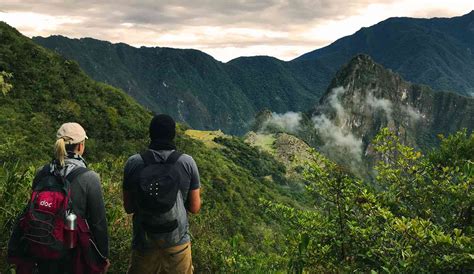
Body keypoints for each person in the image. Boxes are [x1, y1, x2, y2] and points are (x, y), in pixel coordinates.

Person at [8, 122, 110, 273]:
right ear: (81, 146)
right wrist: (102, 257)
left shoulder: (42, 172)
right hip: (72, 253)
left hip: (40, 246)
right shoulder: (89, 178)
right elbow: (98, 223)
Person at [123, 114, 201, 274]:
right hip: (177, 244)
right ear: (173, 134)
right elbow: (194, 207)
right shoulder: (187, 163)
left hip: (144, 243)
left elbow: (129, 207)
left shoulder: (134, 163)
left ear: (150, 133)